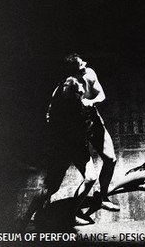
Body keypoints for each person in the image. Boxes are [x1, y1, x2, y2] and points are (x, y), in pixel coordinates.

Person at [16, 77, 102, 229]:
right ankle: (25, 219)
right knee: (50, 187)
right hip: (65, 149)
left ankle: (70, 215)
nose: (83, 88)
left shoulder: (60, 96)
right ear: (75, 93)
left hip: (73, 147)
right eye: (80, 87)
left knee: (90, 178)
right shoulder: (74, 110)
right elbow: (82, 130)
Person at [62, 53, 120, 212]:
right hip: (75, 130)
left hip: (93, 121)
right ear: (72, 73)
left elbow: (101, 94)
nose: (85, 66)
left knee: (111, 159)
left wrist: (91, 102)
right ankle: (71, 213)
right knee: (88, 177)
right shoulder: (65, 89)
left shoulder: (89, 73)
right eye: (81, 66)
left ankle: (102, 196)